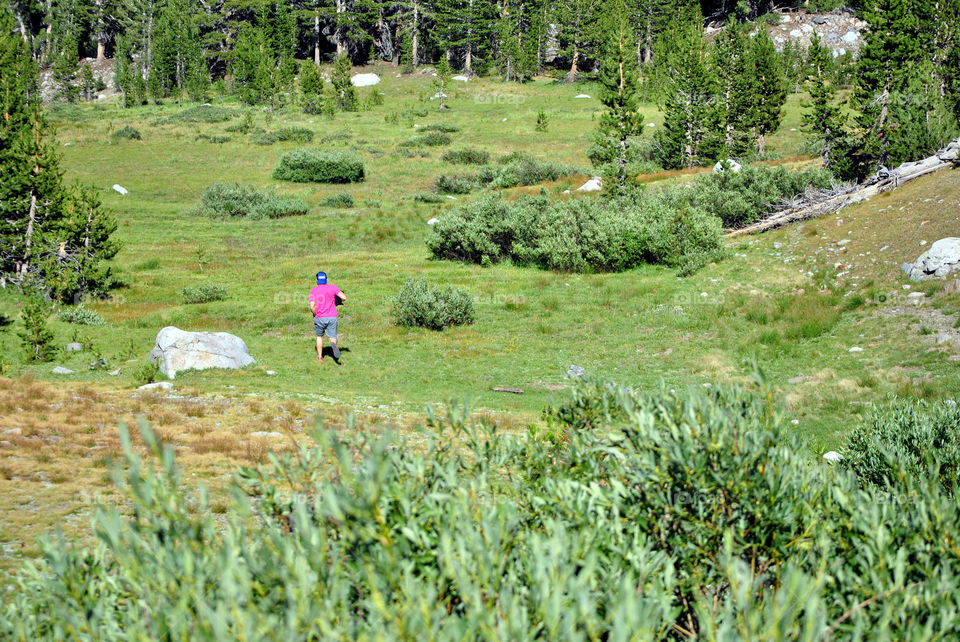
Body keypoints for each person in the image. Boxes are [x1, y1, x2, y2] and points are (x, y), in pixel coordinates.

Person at [309, 271, 346, 362]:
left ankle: (320, 356)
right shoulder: (333, 288)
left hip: (320, 317)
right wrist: (336, 301)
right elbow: (344, 298)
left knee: (319, 336)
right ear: (326, 279)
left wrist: (315, 313)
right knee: (332, 337)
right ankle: (334, 350)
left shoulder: (313, 291)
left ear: (317, 280)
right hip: (332, 316)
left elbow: (312, 306)